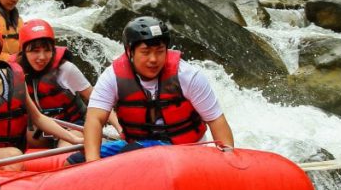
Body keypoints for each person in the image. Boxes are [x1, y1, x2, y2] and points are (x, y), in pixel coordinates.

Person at [71, 16, 235, 164]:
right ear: (130, 52)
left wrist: (228, 158)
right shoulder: (112, 77)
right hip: (136, 144)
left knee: (131, 154)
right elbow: (95, 119)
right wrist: (92, 163)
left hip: (185, 149)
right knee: (75, 161)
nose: (153, 59)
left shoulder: (187, 75)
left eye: (159, 51)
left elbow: (216, 120)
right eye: (145, 52)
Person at [0, 20, 83, 169]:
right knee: (13, 155)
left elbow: (38, 118)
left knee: (15, 155)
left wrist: (74, 139)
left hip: (13, 157)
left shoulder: (14, 78)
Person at [13, 18, 121, 148]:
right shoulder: (15, 74)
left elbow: (99, 100)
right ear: (23, 52)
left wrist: (119, 128)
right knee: (23, 136)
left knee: (66, 149)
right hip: (44, 129)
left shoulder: (66, 69)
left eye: (47, 50)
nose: (42, 57)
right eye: (35, 51)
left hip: (74, 125)